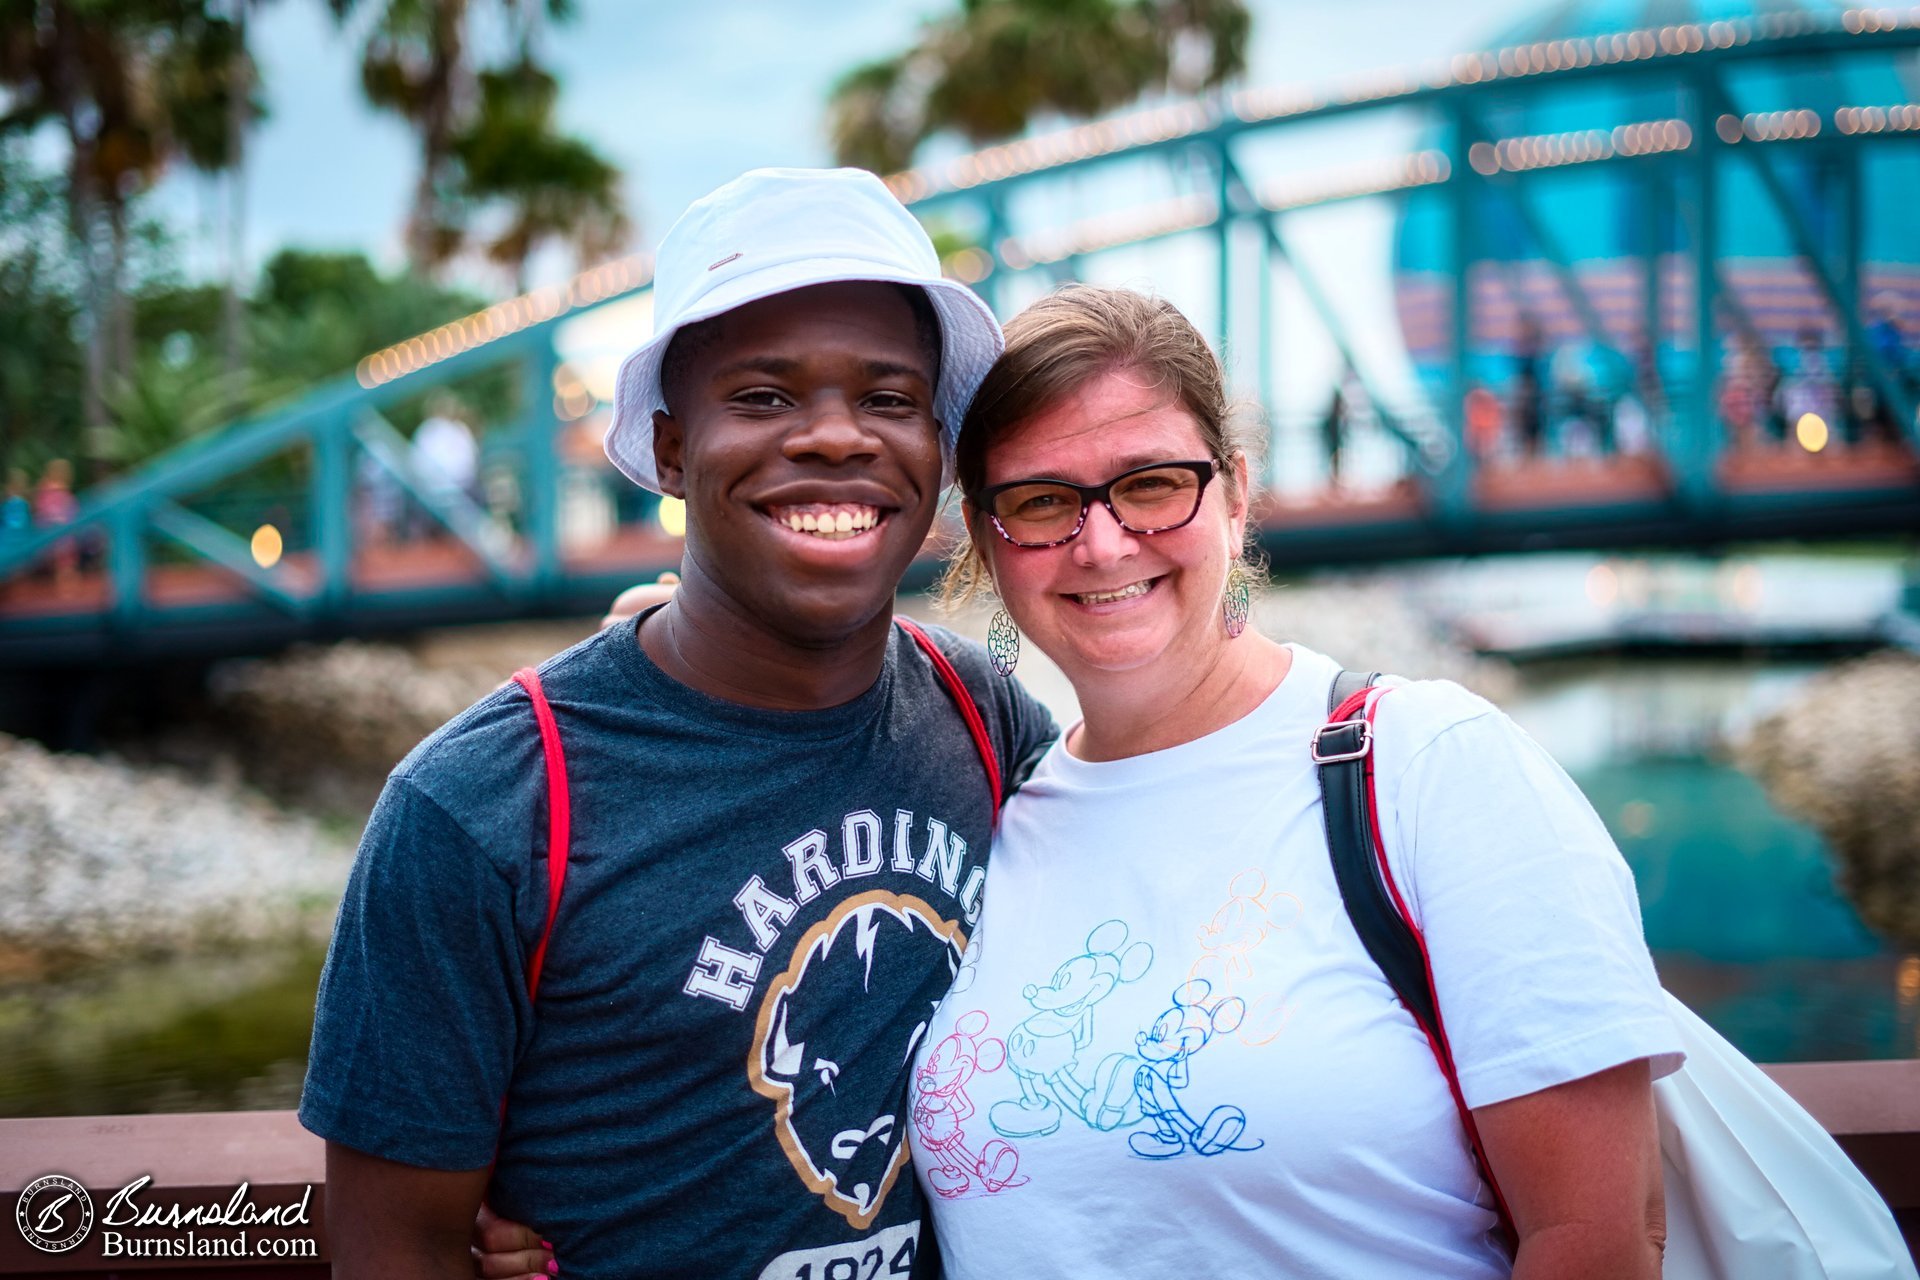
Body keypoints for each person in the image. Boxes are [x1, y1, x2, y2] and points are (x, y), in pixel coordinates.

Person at [485, 286, 1683, 1279]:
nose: (1103, 543)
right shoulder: (996, 782)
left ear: (1236, 491)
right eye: (1043, 502)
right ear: (985, 538)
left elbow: (1602, 1235)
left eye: (1153, 482)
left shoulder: (1428, 766)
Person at [300, 167, 1052, 1280]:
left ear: (938, 448)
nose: (838, 437)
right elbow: (395, 1250)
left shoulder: (983, 716)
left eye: (891, 398)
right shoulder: (482, 807)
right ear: (664, 444)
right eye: (762, 396)